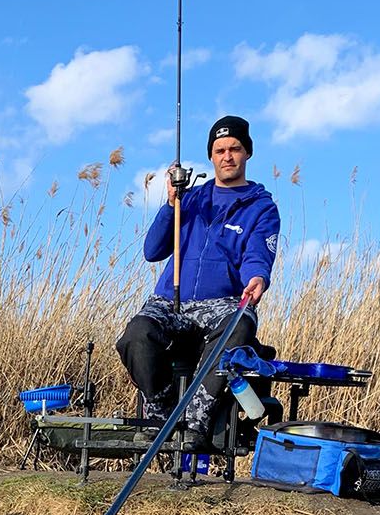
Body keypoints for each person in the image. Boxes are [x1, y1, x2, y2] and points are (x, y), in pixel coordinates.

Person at [116, 115, 281, 443]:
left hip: (222, 303)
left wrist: (257, 279)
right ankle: (160, 411)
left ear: (247, 153)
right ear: (211, 156)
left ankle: (195, 420)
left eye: (235, 148)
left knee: (241, 323)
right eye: (220, 150)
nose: (227, 156)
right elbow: (152, 250)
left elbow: (257, 256)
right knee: (137, 335)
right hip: (171, 300)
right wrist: (170, 204)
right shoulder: (189, 200)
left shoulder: (261, 208)